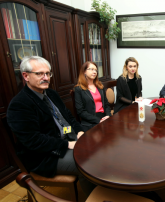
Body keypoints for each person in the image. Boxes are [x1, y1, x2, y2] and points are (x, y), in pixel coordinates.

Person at [6, 56, 95, 196]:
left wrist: (79, 132)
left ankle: (109, 190)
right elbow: (33, 141)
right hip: (44, 157)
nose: (45, 77)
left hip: (66, 139)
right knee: (87, 163)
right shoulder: (20, 104)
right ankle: (96, 198)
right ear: (26, 76)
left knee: (99, 150)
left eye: (48, 73)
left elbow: (69, 117)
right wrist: (67, 145)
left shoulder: (51, 93)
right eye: (40, 73)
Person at [74, 61, 111, 132]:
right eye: (91, 69)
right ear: (84, 71)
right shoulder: (79, 89)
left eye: (96, 70)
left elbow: (106, 104)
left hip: (104, 117)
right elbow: (80, 111)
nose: (94, 72)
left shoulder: (100, 86)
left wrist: (108, 115)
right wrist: (98, 120)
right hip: (89, 121)